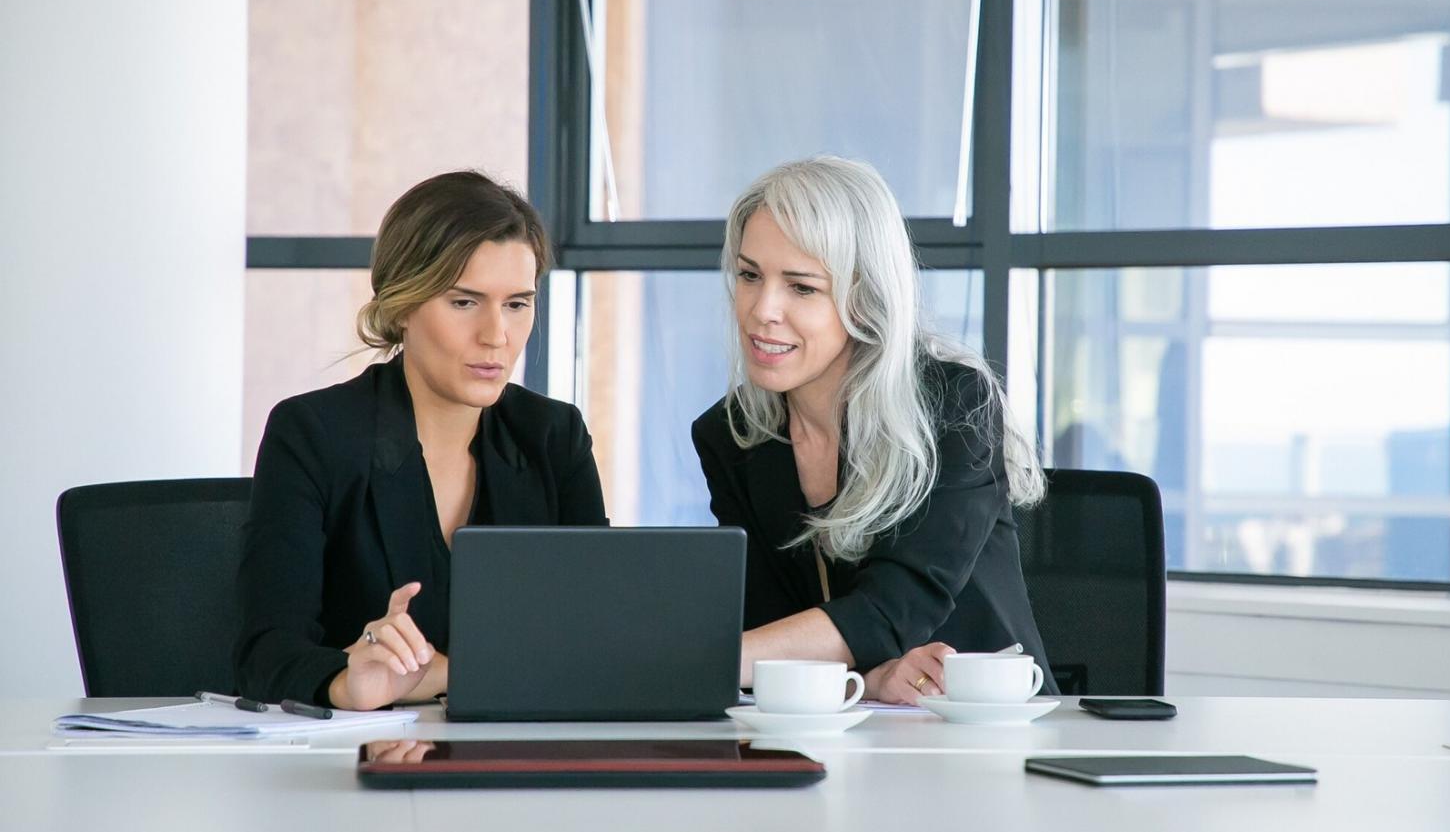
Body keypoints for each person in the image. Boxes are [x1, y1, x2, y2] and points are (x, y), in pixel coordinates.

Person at [235, 171, 608, 710]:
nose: (496, 335)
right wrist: (347, 683)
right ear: (403, 304)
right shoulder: (313, 434)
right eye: (464, 302)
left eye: (517, 304)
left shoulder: (553, 438)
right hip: (356, 767)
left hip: (518, 758)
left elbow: (599, 642)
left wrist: (442, 674)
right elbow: (264, 653)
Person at [691, 156, 1057, 705]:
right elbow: (773, 630)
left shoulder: (953, 406)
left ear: (864, 295)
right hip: (838, 728)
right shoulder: (733, 434)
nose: (762, 310)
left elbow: (893, 610)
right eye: (749, 276)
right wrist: (867, 679)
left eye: (802, 287)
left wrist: (690, 659)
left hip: (983, 727)